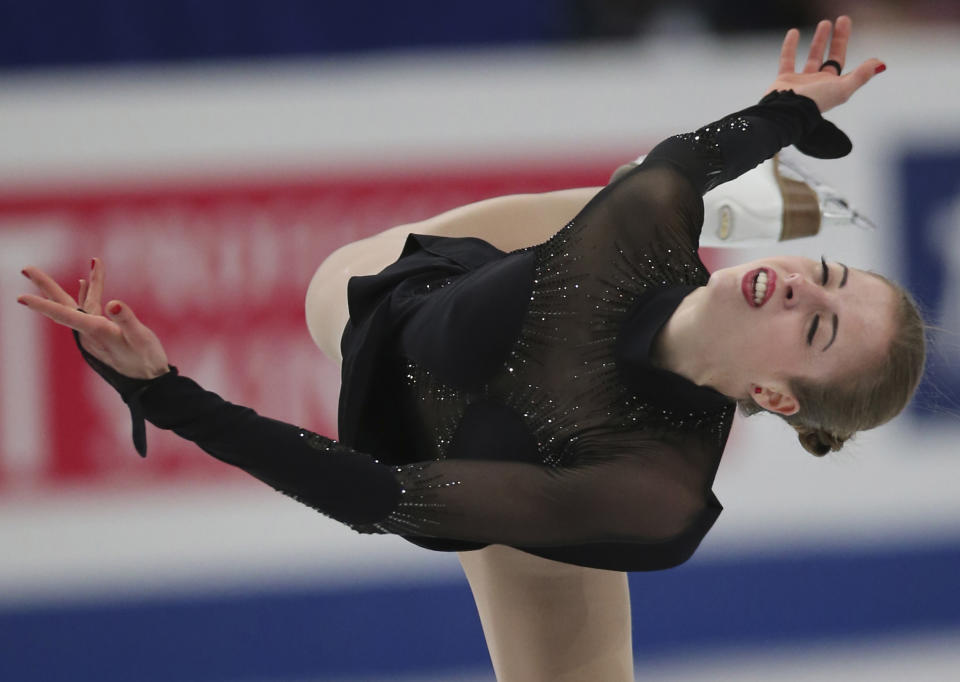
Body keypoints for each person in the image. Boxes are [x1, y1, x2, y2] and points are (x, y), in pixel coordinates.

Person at [18, 17, 925, 682]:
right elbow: (697, 151)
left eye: (816, 329)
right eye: (830, 277)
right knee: (629, 196)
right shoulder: (643, 226)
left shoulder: (653, 491)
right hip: (408, 295)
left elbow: (375, 494)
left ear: (772, 395)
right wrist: (789, 108)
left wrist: (164, 393)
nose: (804, 288)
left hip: (521, 490)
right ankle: (723, 207)